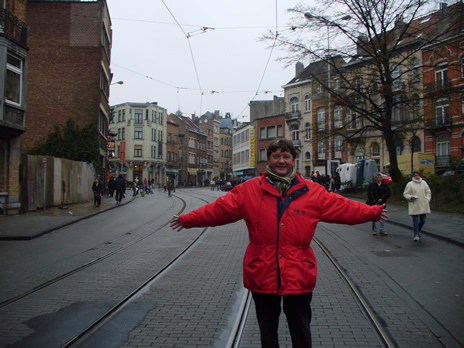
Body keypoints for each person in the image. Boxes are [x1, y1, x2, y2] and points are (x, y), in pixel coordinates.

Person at [170, 138, 388, 347]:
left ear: (293, 160)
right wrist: (186, 220)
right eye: (276, 156)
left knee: (301, 331)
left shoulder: (312, 191)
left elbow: (344, 208)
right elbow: (218, 211)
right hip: (262, 272)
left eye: (286, 156)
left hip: (298, 272)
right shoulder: (249, 190)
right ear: (268, 161)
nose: (281, 161)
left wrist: (373, 212)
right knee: (268, 333)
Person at [403, 171, 431, 242]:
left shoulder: (424, 183)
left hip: (423, 204)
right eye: (415, 175)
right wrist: (411, 197)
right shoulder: (410, 184)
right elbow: (406, 194)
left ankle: (418, 230)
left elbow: (428, 191)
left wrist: (427, 199)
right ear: (413, 176)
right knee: (415, 221)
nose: (417, 177)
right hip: (414, 204)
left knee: (423, 220)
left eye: (418, 175)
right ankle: (416, 234)